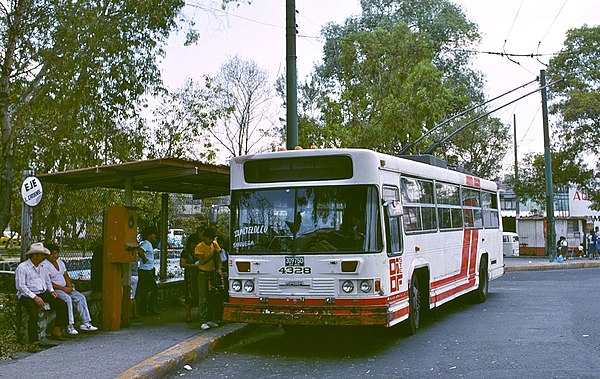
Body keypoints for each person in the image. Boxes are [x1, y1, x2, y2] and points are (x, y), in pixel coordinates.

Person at [15, 242, 69, 352]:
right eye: (42, 255)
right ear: (35, 255)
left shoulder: (43, 266)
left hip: (41, 292)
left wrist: (52, 291)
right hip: (27, 294)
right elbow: (21, 286)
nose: (44, 257)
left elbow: (48, 281)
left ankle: (57, 330)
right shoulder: (23, 267)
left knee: (62, 304)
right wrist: (34, 297)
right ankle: (32, 342)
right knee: (33, 313)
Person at [40, 243, 98, 335]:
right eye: (50, 254)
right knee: (67, 299)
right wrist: (63, 289)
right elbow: (48, 282)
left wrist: (70, 286)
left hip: (65, 288)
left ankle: (86, 322)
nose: (53, 256)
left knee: (80, 297)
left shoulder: (60, 263)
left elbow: (66, 275)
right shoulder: (44, 265)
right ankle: (69, 325)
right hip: (55, 290)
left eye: (55, 253)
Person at [194, 227, 221, 330]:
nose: (210, 241)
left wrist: (218, 268)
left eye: (212, 239)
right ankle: (203, 320)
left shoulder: (214, 244)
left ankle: (211, 319)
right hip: (203, 273)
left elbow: (218, 257)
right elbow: (202, 261)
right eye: (209, 239)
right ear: (204, 237)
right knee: (203, 298)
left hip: (212, 272)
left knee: (212, 296)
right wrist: (211, 254)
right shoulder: (199, 247)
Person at [136, 226, 159, 315]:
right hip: (146, 270)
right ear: (149, 235)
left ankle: (145, 309)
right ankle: (149, 308)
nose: (155, 236)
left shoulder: (148, 244)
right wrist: (145, 259)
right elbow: (140, 251)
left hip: (147, 269)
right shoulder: (146, 243)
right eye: (154, 234)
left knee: (145, 290)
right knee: (153, 289)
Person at [180, 233, 200, 322]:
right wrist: (193, 266)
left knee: (199, 294)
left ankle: (200, 314)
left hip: (198, 275)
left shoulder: (198, 251)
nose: (194, 245)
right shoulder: (185, 252)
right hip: (189, 276)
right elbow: (182, 264)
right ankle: (187, 315)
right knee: (189, 295)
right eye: (193, 243)